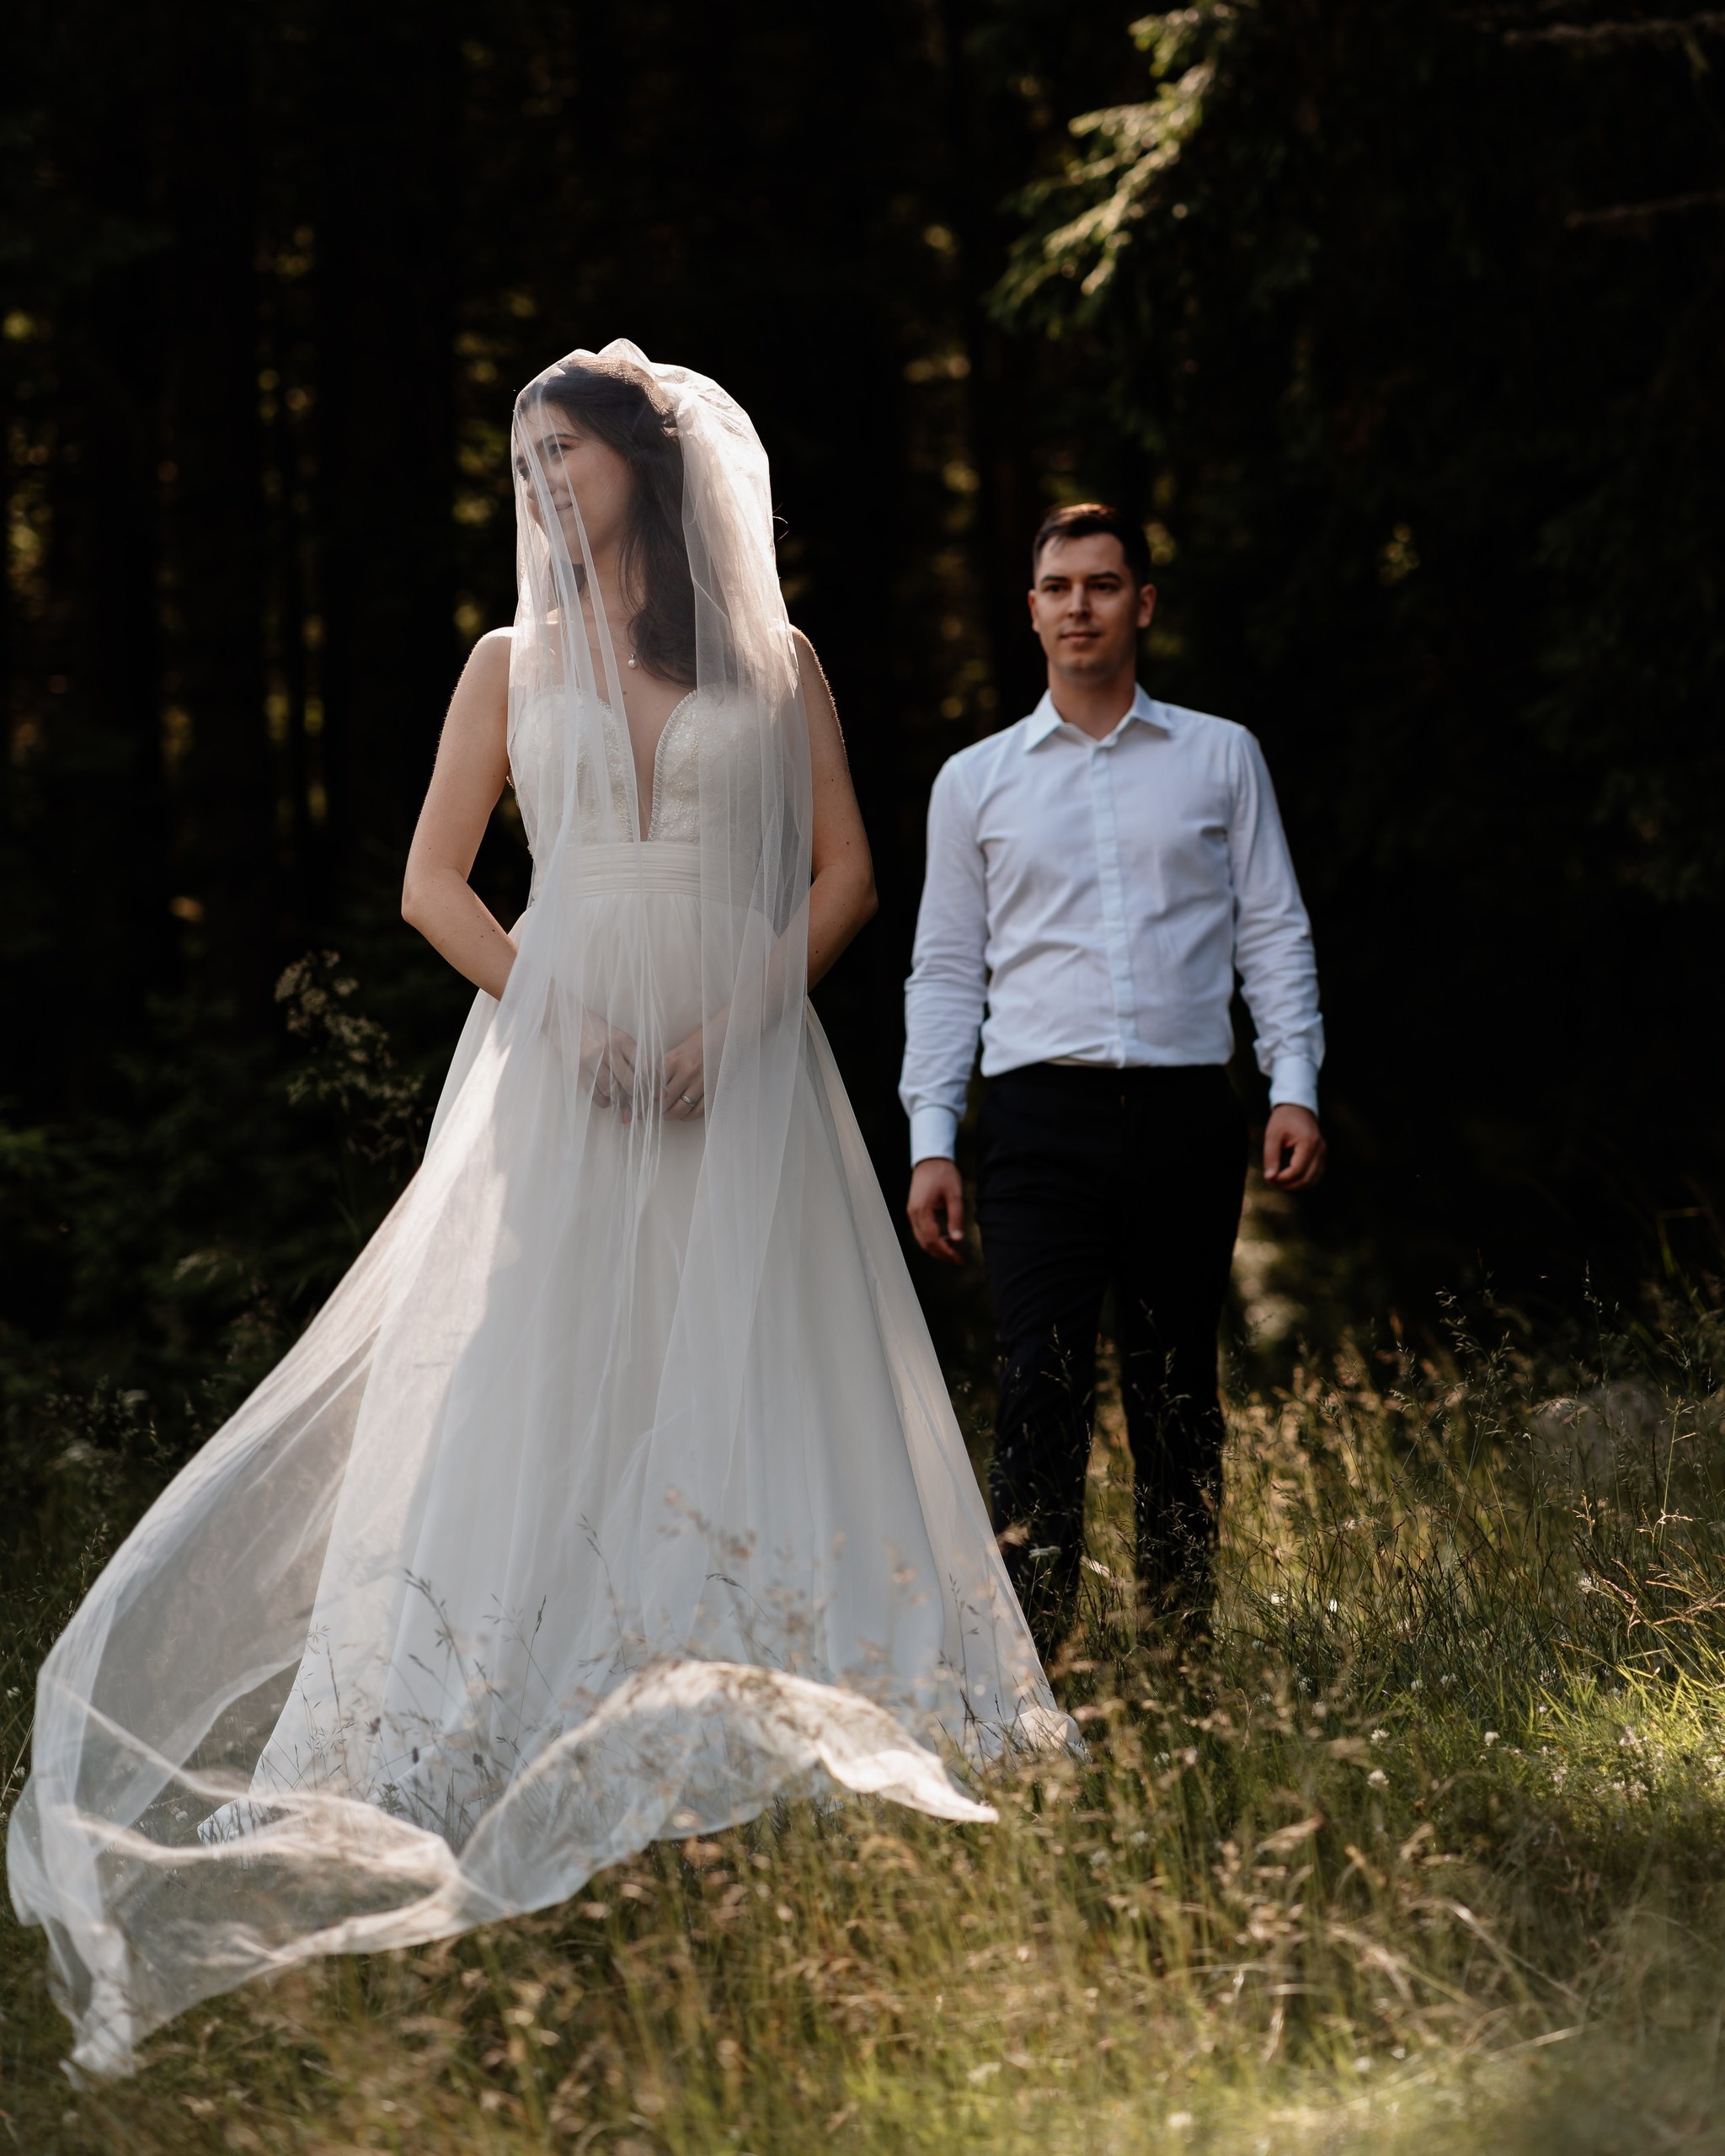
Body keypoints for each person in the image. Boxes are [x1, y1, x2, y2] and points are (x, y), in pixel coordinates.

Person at [9, 344, 1064, 2079]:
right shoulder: (510, 660)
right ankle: (485, 1714)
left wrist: (737, 1021)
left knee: (760, 1355)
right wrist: (548, 1007)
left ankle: (778, 1678)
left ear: (642, 465)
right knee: (537, 1356)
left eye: (562, 457)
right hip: (554, 1068)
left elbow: (849, 871)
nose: (542, 489)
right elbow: (433, 879)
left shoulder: (774, 657)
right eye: (529, 465)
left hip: (747, 1077)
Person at [901, 503, 1326, 1657]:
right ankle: (1028, 1671)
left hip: (1188, 1114)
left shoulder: (1220, 756)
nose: (1078, 605)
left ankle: (1179, 1652)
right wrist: (932, 1137)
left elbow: (1273, 931)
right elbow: (943, 970)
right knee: (1037, 1385)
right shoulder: (974, 783)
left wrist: (1295, 1083)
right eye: (1057, 586)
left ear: (1142, 603)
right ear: (1031, 609)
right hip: (1036, 1120)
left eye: (1101, 584)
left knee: (1178, 1390)